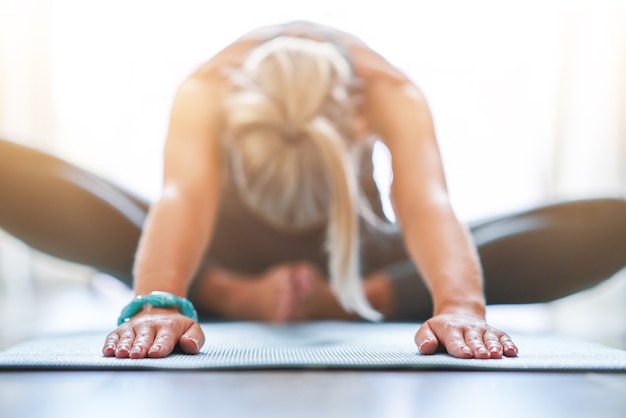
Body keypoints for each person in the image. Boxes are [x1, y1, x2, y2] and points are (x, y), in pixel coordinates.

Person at [1, 20, 625, 360]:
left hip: (353, 262)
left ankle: (352, 299)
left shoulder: (390, 96)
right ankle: (229, 294)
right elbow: (181, 201)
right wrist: (162, 300)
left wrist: (460, 305)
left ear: (357, 128)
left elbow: (428, 205)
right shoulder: (208, 92)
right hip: (222, 263)